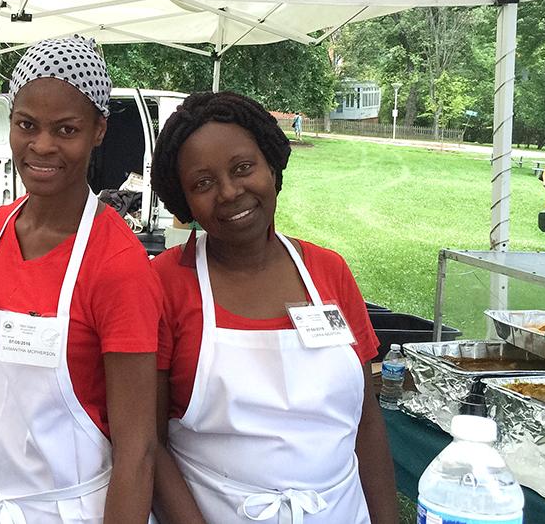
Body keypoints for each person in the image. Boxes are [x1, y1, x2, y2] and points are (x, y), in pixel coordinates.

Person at [149, 91, 396, 524]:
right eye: (203, 183)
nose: (229, 192)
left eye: (243, 168)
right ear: (183, 200)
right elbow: (149, 444)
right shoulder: (166, 284)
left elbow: (367, 422)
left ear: (271, 165)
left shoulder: (329, 271)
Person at [0, 36, 161, 524]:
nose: (42, 146)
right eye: (26, 124)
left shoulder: (117, 263)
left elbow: (138, 451)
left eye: (65, 129)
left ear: (98, 130)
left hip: (77, 510)